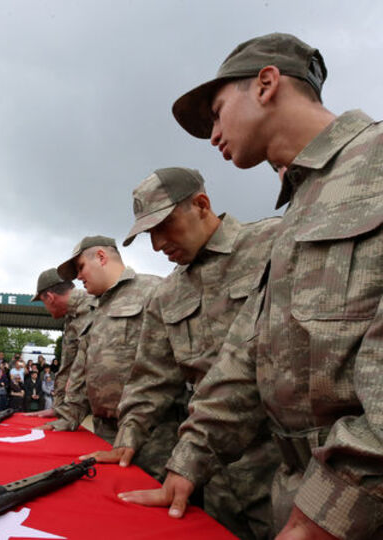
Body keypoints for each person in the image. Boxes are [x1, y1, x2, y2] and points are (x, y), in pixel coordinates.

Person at [124, 33, 383, 539]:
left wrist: (329, 510)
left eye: (217, 112)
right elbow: (248, 355)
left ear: (266, 84)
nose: (212, 134)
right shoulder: (298, 215)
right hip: (304, 501)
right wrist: (189, 462)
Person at [85, 167, 281, 540]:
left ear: (201, 205)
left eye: (163, 226)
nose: (157, 244)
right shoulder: (168, 293)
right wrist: (127, 436)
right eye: (149, 234)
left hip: (281, 464)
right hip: (211, 469)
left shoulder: (273, 244)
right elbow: (150, 379)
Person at [44, 236, 162, 450]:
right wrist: (68, 417)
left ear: (101, 257)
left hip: (153, 435)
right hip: (105, 431)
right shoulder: (94, 307)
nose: (79, 277)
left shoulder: (154, 290)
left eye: (81, 267)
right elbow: (81, 369)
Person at [26, 268, 95, 418]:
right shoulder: (71, 315)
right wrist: (58, 407)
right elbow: (68, 365)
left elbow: (88, 365)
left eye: (43, 302)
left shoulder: (95, 306)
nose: (45, 308)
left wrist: (67, 411)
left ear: (50, 297)